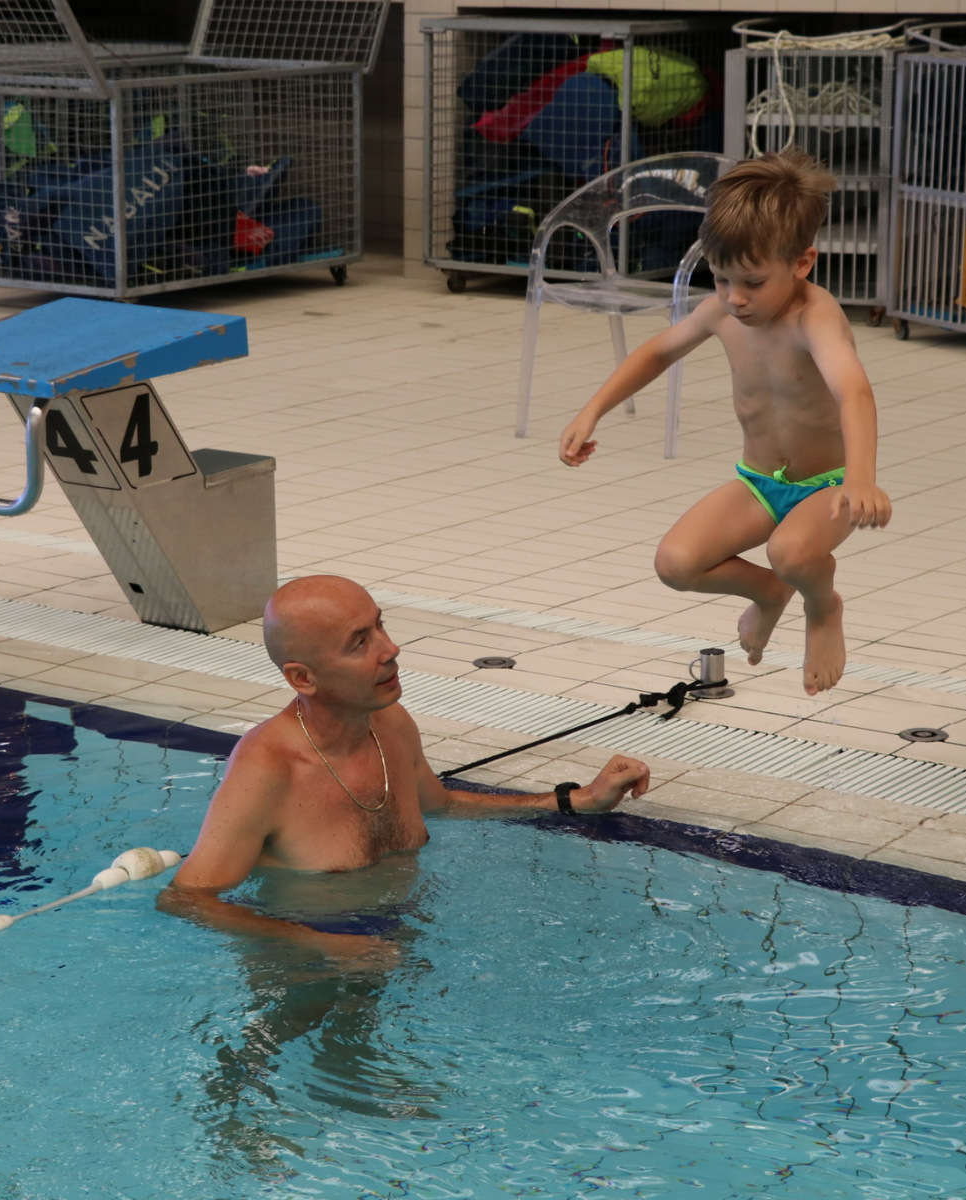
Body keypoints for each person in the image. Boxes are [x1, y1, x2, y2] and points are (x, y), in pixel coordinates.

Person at [158, 574, 651, 965]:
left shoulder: (389, 723)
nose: (389, 649)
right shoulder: (267, 767)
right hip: (304, 962)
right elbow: (187, 900)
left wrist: (574, 801)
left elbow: (443, 804)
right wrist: (323, 945)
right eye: (359, 642)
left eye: (380, 626)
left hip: (400, 935)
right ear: (302, 678)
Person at [558, 148, 892, 696]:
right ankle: (768, 592)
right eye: (721, 279)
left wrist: (861, 478)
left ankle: (822, 607)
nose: (735, 298)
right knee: (676, 563)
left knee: (791, 552)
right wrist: (591, 411)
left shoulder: (815, 317)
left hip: (828, 487)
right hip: (758, 482)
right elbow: (658, 352)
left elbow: (854, 391)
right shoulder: (721, 311)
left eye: (753, 283)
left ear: (802, 263)